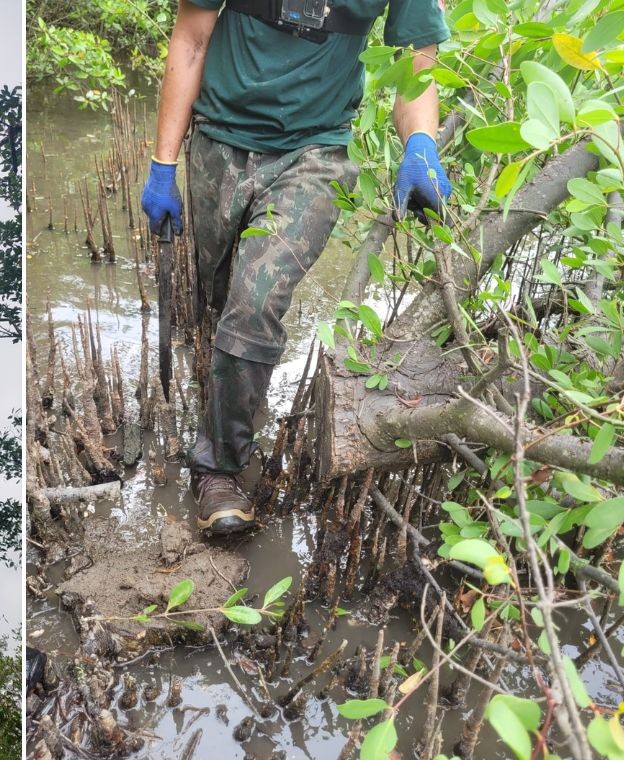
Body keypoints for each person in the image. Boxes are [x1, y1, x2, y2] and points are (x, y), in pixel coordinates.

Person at [140, 0, 451, 535]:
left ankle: (218, 468)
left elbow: (416, 61)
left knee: (256, 299)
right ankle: (219, 392)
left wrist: (419, 143)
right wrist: (163, 164)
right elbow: (192, 38)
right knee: (219, 299)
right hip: (217, 140)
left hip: (316, 154)